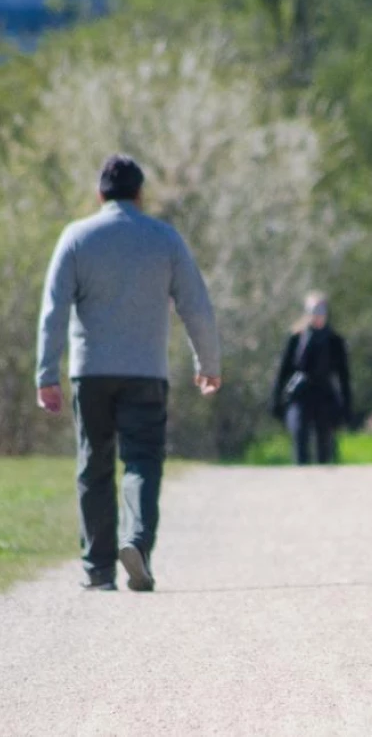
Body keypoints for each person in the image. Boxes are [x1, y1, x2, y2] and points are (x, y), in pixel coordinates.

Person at [36, 154, 221, 592]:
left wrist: (47, 374)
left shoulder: (76, 237)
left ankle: (99, 570)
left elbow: (53, 310)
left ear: (100, 194)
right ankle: (136, 542)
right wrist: (208, 364)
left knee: (93, 465)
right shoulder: (164, 239)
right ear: (140, 195)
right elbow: (196, 305)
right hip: (145, 373)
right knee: (142, 460)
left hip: (91, 372)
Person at [271, 292, 352, 465]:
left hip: (324, 395)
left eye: (321, 310)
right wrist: (276, 399)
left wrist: (346, 405)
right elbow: (283, 371)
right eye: (314, 310)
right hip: (300, 395)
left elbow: (343, 375)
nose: (318, 314)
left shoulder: (334, 340)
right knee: (299, 436)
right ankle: (301, 480)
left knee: (324, 444)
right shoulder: (296, 339)